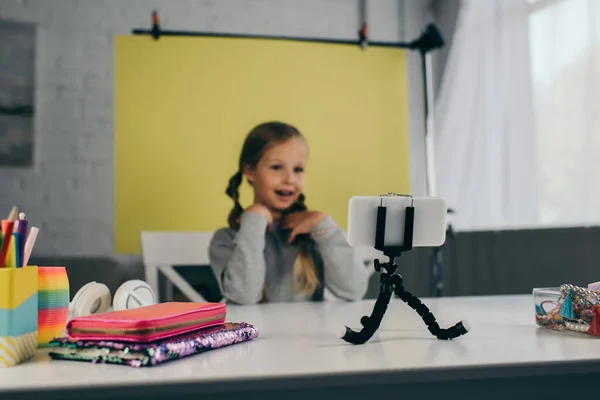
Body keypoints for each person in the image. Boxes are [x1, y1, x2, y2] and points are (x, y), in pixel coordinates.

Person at [208, 121, 370, 304]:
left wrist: (324, 225)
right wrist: (254, 220)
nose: (290, 179)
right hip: (259, 333)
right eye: (276, 167)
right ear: (250, 170)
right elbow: (244, 296)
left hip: (311, 333)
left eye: (298, 169)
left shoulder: (313, 235)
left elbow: (354, 290)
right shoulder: (225, 240)